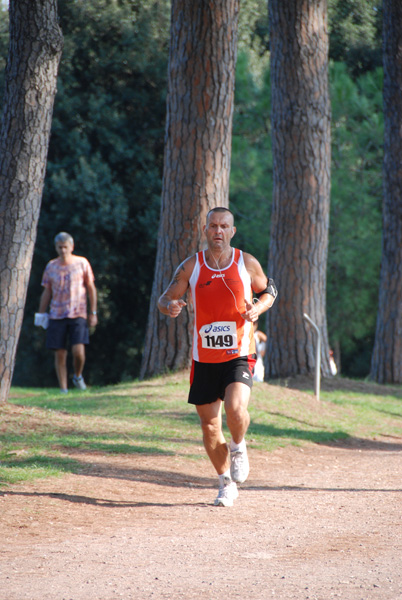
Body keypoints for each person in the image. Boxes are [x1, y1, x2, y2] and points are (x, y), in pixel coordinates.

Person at [157, 207, 277, 507]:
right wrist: (169, 306)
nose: (218, 231)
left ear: (232, 231)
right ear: (206, 229)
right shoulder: (191, 266)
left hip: (239, 353)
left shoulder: (245, 262)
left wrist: (257, 309)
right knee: (210, 426)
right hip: (204, 357)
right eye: (213, 226)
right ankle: (225, 483)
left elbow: (269, 291)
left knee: (236, 410)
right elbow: (164, 298)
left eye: (224, 226)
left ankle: (238, 445)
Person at [36, 232, 98, 393]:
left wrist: (93, 312)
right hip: (56, 314)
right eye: (59, 247)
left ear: (71, 247)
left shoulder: (82, 263)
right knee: (60, 353)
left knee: (78, 351)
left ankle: (77, 376)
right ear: (56, 248)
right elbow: (47, 291)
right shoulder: (51, 266)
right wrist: (41, 313)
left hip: (78, 313)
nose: (63, 250)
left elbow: (91, 288)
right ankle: (63, 389)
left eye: (65, 247)